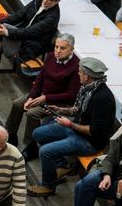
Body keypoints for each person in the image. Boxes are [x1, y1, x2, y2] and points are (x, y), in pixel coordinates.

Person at [29, 58, 116, 194]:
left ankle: (48, 186)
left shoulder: (103, 99)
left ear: (86, 76)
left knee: (45, 151)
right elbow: (76, 109)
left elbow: (95, 131)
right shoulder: (87, 88)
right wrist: (60, 109)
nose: (78, 74)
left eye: (80, 72)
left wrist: (70, 124)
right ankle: (62, 165)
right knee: (37, 134)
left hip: (89, 141)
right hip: (76, 129)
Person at [4, 33, 79, 147]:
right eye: (56, 46)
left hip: (58, 102)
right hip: (43, 95)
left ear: (72, 49)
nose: (58, 51)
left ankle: (31, 145)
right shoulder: (51, 56)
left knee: (32, 113)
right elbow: (40, 79)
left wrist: (46, 98)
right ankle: (10, 135)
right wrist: (30, 98)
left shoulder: (76, 67)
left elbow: (71, 95)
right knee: (17, 104)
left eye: (62, 48)